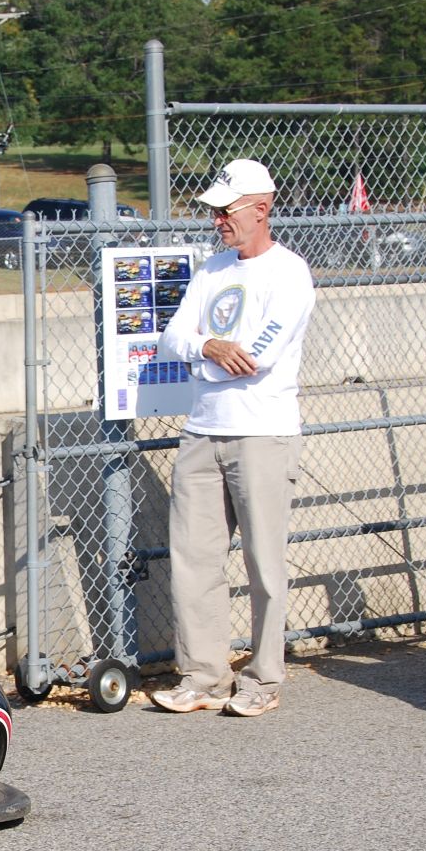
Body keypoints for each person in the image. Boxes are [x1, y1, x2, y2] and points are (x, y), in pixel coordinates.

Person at [148, 159, 317, 717]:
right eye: (214, 211)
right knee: (194, 560)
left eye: (227, 210)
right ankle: (204, 677)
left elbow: (259, 357)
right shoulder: (212, 269)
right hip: (202, 430)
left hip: (261, 434)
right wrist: (210, 349)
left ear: (261, 208)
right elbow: (175, 336)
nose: (218, 219)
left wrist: (210, 353)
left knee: (264, 562)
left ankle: (264, 677)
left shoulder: (289, 273)